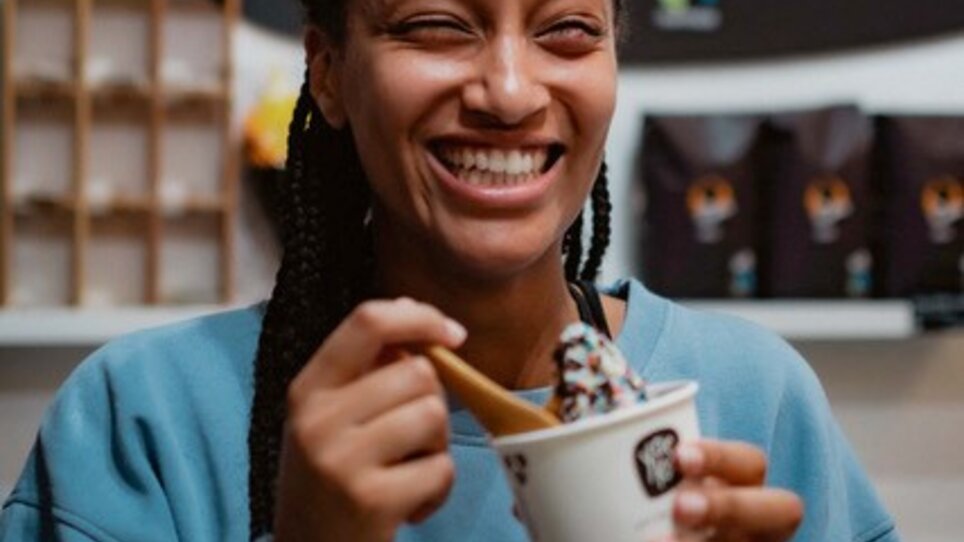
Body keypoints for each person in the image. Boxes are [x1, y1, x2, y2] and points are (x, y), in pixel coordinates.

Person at [0, 0, 899, 540]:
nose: (508, 91)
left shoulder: (753, 400)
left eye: (567, 30)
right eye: (437, 25)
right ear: (328, 73)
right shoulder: (143, 422)